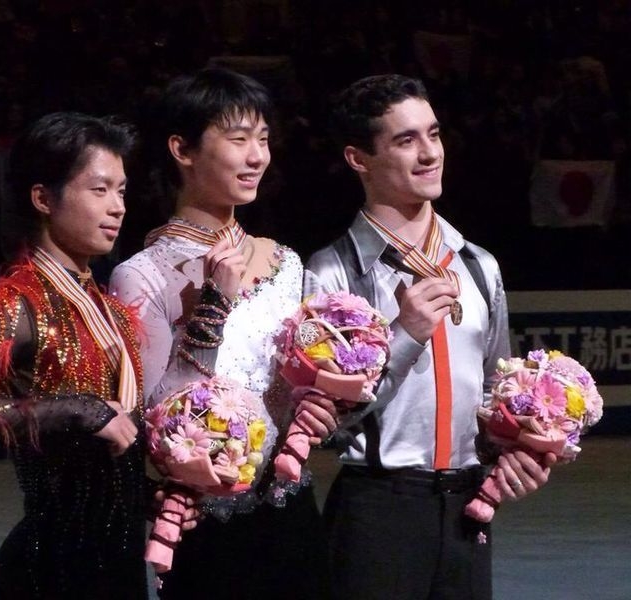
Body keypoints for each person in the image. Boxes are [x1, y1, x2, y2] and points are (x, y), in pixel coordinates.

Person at [304, 74, 555, 600]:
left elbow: (499, 395)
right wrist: (404, 335)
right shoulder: (332, 274)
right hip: (377, 509)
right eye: (405, 140)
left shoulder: (479, 266)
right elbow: (324, 426)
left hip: (467, 507)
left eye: (433, 134)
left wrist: (520, 452)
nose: (428, 154)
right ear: (358, 159)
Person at [110, 67, 334, 599]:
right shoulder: (143, 273)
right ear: (182, 150)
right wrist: (214, 304)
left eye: (262, 139)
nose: (257, 156)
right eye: (238, 140)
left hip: (292, 509)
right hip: (203, 523)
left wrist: (328, 406)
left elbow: (302, 389)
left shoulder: (288, 263)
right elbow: (153, 412)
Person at [0, 112, 149, 599]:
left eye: (122, 191)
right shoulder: (12, 302)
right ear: (43, 198)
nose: (118, 207)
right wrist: (73, 410)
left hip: (119, 566)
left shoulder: (114, 313)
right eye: (99, 190)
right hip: (50, 568)